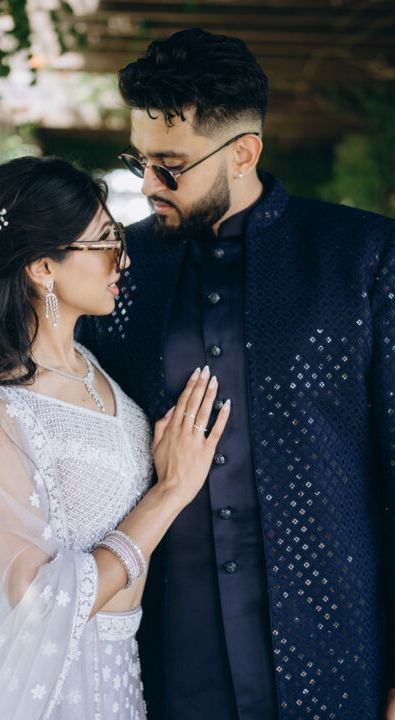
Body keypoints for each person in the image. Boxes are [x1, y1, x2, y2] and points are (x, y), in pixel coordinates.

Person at [76, 28, 395, 720]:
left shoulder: (364, 257)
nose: (148, 185)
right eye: (140, 162)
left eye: (170, 166)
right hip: (165, 659)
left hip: (336, 653)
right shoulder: (117, 270)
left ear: (244, 153)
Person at [0, 155, 230, 719]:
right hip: (53, 688)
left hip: (119, 675)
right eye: (105, 242)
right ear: (43, 267)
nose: (123, 258)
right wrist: (169, 493)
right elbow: (37, 602)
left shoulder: (92, 366)